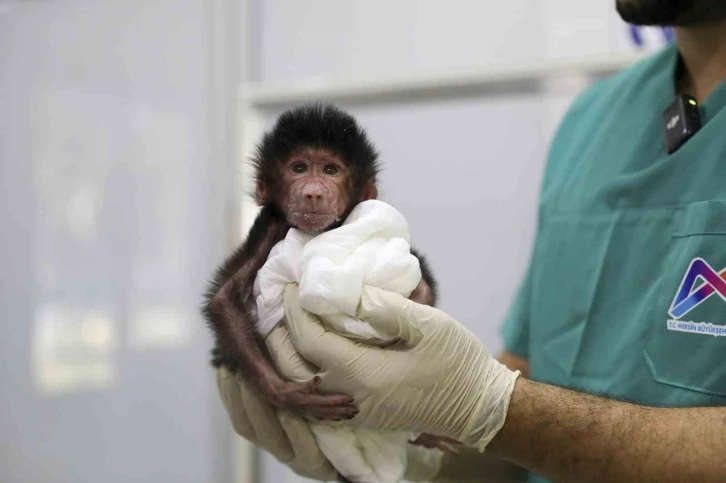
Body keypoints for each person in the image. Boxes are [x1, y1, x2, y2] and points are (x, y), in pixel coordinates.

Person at [216, 0, 726, 481]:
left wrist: (488, 407)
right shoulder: (593, 121)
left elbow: (510, 413)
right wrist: (408, 459)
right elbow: (531, 385)